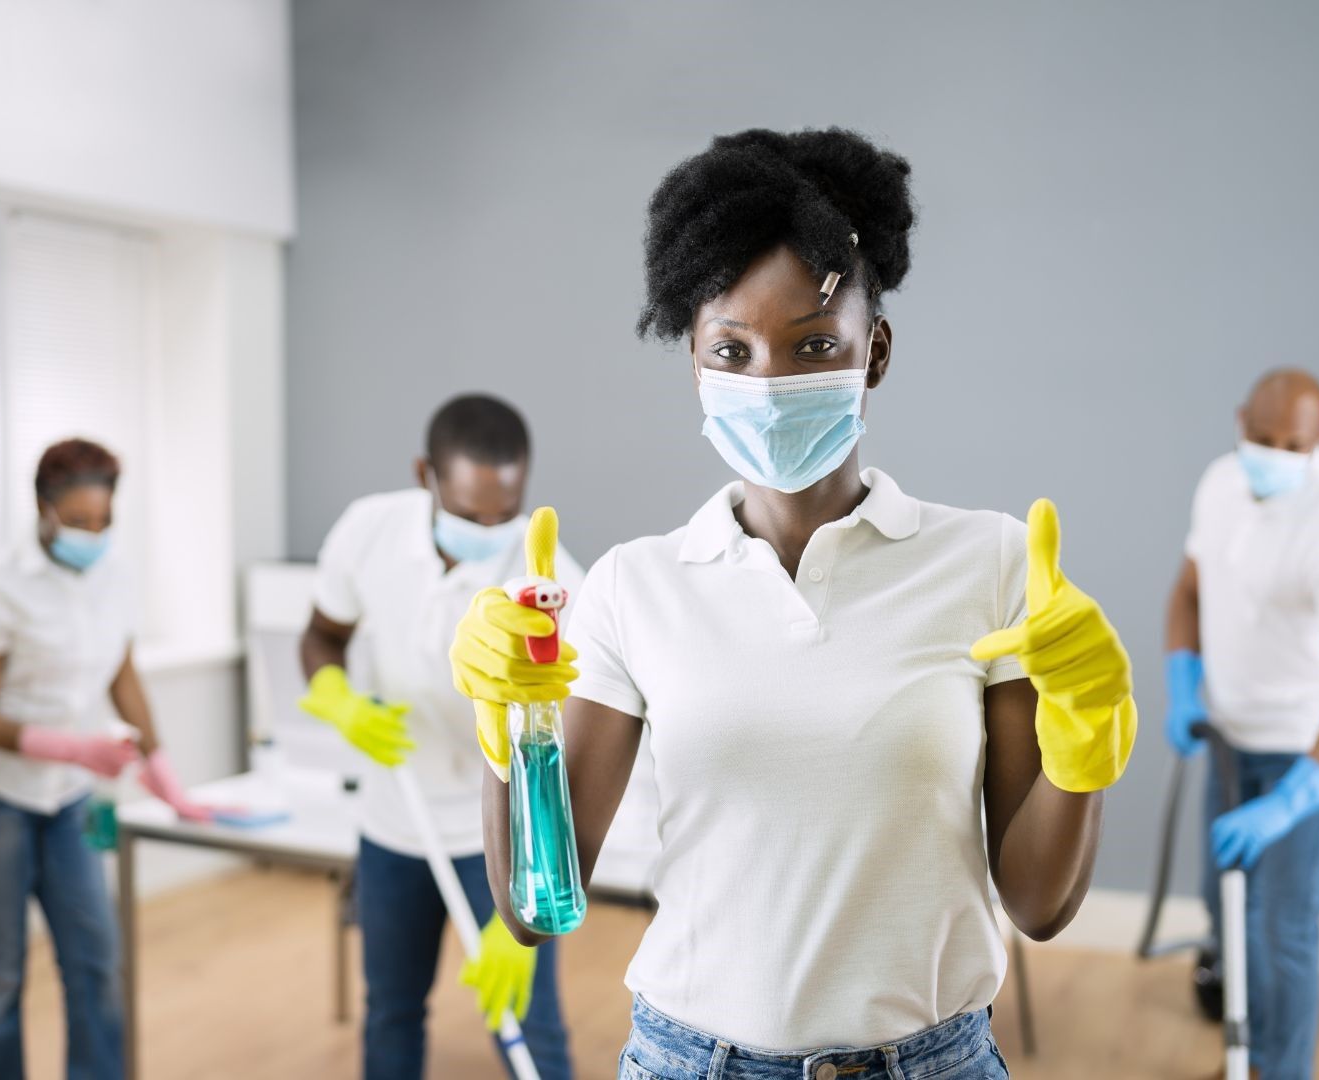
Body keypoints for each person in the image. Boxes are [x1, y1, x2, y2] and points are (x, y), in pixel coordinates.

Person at [449, 128, 1139, 1080]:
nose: (768, 385)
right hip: (689, 1061)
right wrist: (509, 729)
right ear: (695, 364)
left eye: (813, 345)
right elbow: (534, 912)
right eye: (731, 349)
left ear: (874, 352)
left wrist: (1084, 741)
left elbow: (1038, 905)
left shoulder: (990, 565)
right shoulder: (633, 586)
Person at [298, 394, 581, 1080]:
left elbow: (565, 753)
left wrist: (530, 909)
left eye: (505, 512)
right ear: (425, 474)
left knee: (530, 1025)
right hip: (394, 824)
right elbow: (322, 636)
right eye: (469, 514)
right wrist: (336, 700)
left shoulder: (549, 585)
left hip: (501, 839)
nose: (491, 529)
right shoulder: (369, 530)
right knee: (391, 1012)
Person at [0, 438, 210, 1080]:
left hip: (68, 796)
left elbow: (123, 675)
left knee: (97, 960)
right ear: (44, 508)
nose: (94, 533)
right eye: (80, 520)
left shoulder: (118, 577)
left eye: (104, 519)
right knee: (0, 972)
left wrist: (163, 772)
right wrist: (75, 747)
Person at [1164, 369, 1319, 1080]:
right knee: (1221, 901)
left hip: (1313, 748)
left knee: (1279, 922)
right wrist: (1181, 683)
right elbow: (1188, 592)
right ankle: (1248, 1051)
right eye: (1263, 438)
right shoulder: (1218, 484)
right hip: (1231, 737)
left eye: (1294, 444)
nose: (1275, 454)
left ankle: (1276, 1069)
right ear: (1241, 422)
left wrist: (1293, 799)